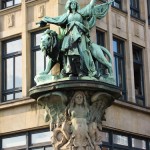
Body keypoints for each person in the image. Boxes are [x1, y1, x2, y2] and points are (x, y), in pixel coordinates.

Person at [38, 0, 113, 77]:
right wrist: (44, 20)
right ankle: (69, 70)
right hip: (70, 37)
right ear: (69, 5)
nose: (73, 5)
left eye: (74, 3)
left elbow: (90, 6)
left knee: (84, 51)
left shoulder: (81, 13)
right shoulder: (66, 16)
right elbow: (55, 20)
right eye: (71, 3)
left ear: (76, 5)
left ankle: (92, 70)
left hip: (80, 36)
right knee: (68, 53)